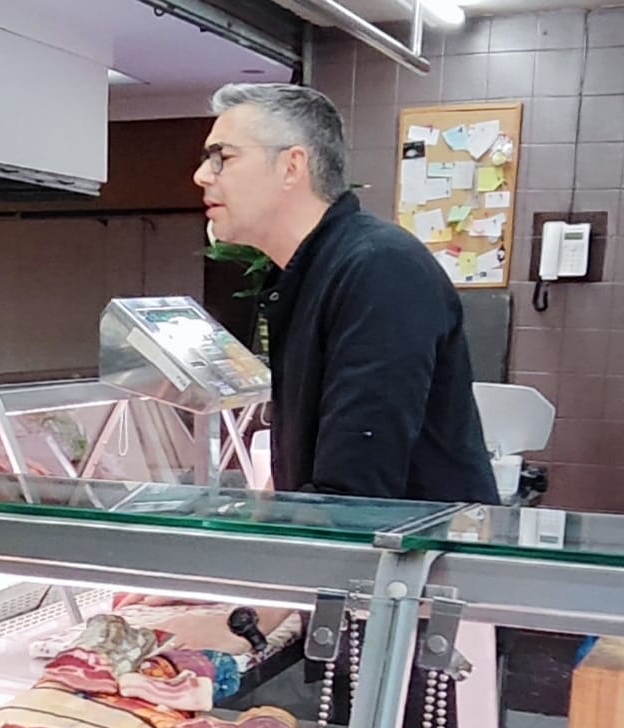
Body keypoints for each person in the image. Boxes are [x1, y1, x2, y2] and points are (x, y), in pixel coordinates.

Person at [196, 82, 498, 504]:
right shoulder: (311, 272)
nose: (202, 175)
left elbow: (354, 491)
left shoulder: (380, 268)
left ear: (291, 166)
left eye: (222, 157)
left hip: (422, 561)